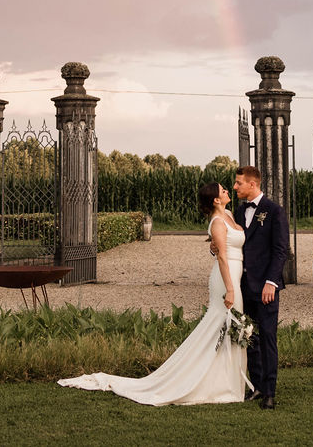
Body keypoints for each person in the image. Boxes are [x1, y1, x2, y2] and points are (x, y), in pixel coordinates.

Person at [57, 182, 251, 405]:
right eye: (223, 190)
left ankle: (226, 380)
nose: (228, 190)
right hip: (225, 280)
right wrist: (229, 289)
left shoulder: (228, 214)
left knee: (227, 327)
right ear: (216, 199)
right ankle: (211, 381)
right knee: (220, 325)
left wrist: (216, 250)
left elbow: (222, 246)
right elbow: (222, 257)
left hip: (235, 275)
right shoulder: (217, 222)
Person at [233, 165, 289, 410]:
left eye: (238, 183)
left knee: (267, 337)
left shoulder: (273, 211)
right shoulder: (238, 211)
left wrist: (271, 282)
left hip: (265, 287)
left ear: (252, 184)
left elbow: (280, 250)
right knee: (249, 337)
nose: (235, 187)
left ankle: (269, 391)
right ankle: (256, 386)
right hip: (243, 285)